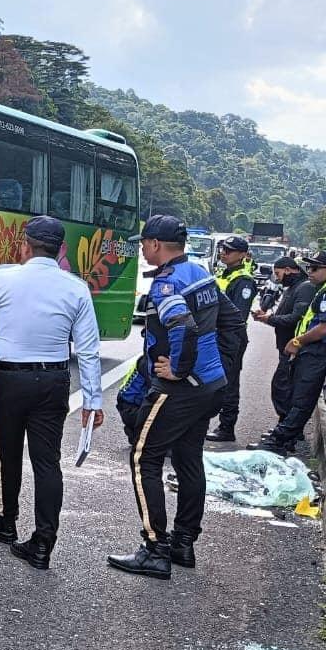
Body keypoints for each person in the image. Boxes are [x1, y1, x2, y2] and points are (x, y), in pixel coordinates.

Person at [0, 215, 104, 571]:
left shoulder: (5, 277)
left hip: (9, 380)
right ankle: (41, 544)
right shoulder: (76, 288)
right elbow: (88, 349)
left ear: (24, 245)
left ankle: (6, 522)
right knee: (47, 462)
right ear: (62, 250)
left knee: (7, 454)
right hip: (54, 382)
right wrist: (93, 401)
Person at [108, 215, 227, 581]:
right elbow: (232, 321)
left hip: (180, 389)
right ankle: (183, 543)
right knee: (190, 461)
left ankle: (155, 548)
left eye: (144, 243)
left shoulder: (167, 284)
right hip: (209, 385)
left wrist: (178, 369)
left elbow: (183, 328)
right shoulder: (200, 273)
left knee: (145, 458)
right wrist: (214, 369)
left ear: (156, 245)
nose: (142, 249)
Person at [250, 251, 326, 456]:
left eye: (315, 268)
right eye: (309, 267)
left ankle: (280, 440)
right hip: (309, 350)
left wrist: (296, 341)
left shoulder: (312, 290)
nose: (309, 272)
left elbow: (322, 328)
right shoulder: (317, 289)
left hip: (316, 351)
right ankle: (284, 438)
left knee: (300, 398)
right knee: (295, 394)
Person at [207, 236, 257, 442]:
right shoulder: (224, 274)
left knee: (228, 381)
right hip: (215, 333)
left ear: (243, 255)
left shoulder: (243, 280)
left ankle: (227, 427)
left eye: (230, 250)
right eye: (223, 249)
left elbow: (238, 314)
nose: (224, 253)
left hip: (231, 336)